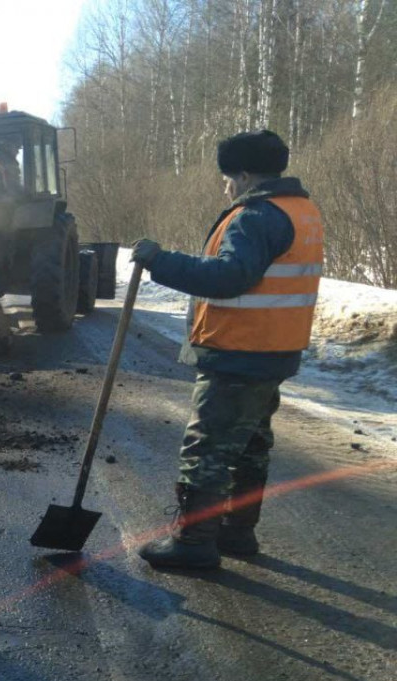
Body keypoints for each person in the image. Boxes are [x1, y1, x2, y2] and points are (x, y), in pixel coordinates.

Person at [131, 129, 323, 569]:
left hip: (242, 352)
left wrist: (161, 261)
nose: (225, 186)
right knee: (250, 447)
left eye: (227, 177)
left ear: (244, 174)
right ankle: (237, 533)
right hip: (272, 350)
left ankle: (195, 543)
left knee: (208, 449)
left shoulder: (256, 216)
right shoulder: (300, 210)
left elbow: (228, 277)